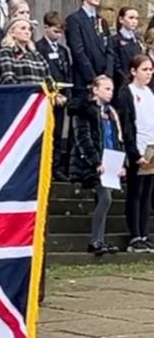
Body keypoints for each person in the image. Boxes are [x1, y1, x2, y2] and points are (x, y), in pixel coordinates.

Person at [69, 75, 125, 255]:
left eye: (112, 90)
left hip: (110, 160)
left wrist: (121, 163)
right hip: (94, 162)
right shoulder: (85, 110)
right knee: (105, 198)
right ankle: (95, 240)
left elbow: (116, 138)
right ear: (95, 89)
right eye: (106, 89)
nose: (110, 93)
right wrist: (95, 161)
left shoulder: (110, 112)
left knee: (104, 199)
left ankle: (100, 239)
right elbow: (82, 137)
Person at [117, 54, 154, 252]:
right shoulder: (127, 93)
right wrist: (133, 153)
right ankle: (135, 235)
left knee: (147, 194)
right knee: (136, 193)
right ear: (133, 71)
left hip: (151, 148)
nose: (149, 73)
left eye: (150, 70)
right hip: (137, 150)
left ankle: (144, 233)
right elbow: (127, 125)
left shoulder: (149, 92)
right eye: (144, 70)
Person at [36, 11, 72, 181]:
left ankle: (56, 167)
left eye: (60, 32)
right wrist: (53, 94)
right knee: (46, 133)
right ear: (46, 29)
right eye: (55, 31)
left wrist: (66, 95)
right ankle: (44, 166)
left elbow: (67, 74)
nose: (58, 35)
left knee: (58, 133)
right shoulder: (39, 48)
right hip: (47, 97)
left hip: (61, 98)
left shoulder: (63, 51)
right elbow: (43, 74)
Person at [65, 0, 114, 99]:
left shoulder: (102, 22)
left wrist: (107, 75)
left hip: (103, 79)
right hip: (84, 81)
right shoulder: (74, 20)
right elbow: (78, 51)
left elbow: (110, 50)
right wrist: (93, 78)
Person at [0, 17, 50, 86]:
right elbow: (8, 78)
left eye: (29, 29)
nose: (27, 32)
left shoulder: (37, 55)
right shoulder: (6, 52)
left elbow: (49, 79)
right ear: (12, 32)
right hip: (18, 94)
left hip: (39, 95)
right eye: (23, 28)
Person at [112, 7, 143, 97]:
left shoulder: (137, 40)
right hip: (122, 84)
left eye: (136, 18)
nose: (134, 21)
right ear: (121, 19)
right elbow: (116, 65)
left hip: (138, 83)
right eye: (131, 18)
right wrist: (127, 80)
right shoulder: (115, 40)